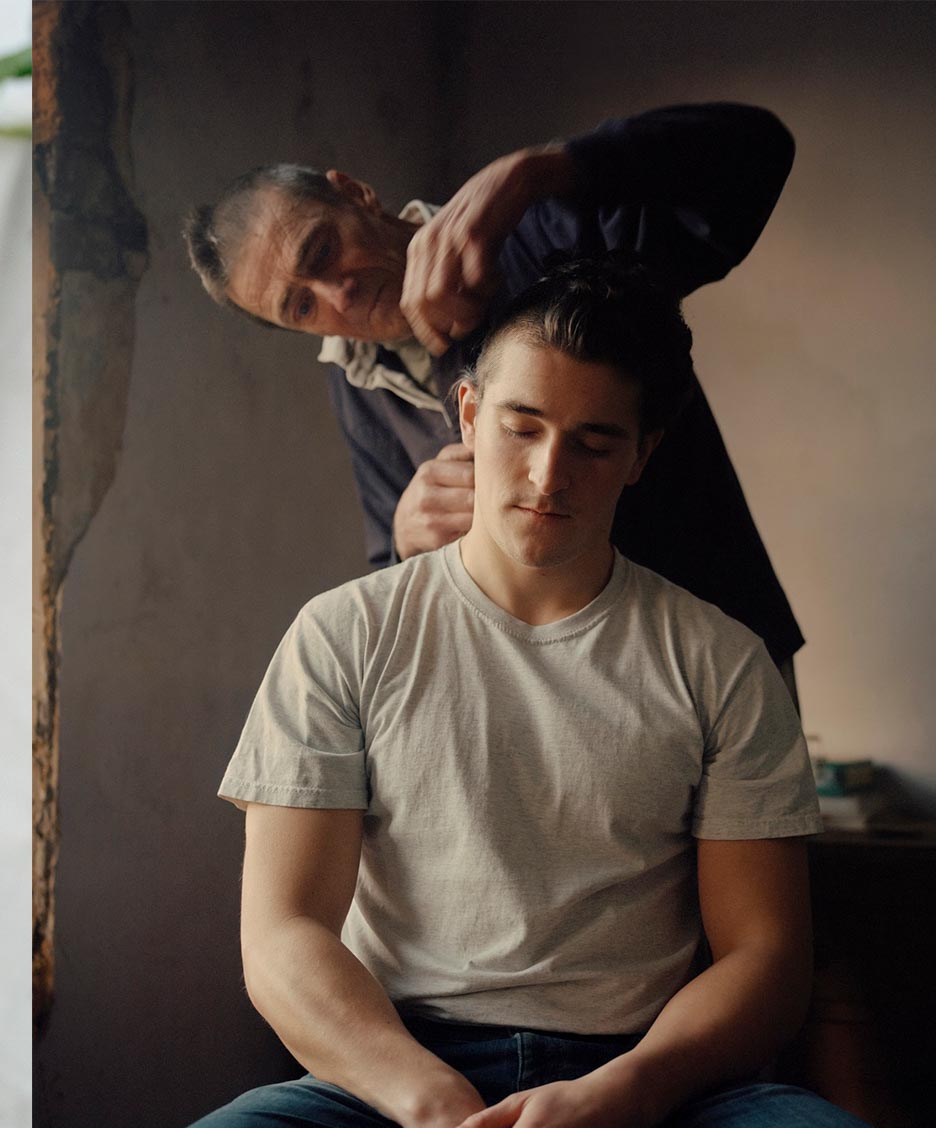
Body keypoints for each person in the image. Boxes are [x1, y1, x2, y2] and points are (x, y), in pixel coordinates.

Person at [76, 260, 936, 1128]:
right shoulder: (344, 635)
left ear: (642, 454)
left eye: (593, 442)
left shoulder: (719, 659)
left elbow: (765, 957)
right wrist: (429, 1108)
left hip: (657, 1087)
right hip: (392, 1075)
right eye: (522, 428)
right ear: (467, 416)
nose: (550, 477)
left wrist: (616, 1105)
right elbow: (281, 935)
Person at [182, 104, 804, 697]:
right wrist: (403, 540)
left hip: (712, 649)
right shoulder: (355, 383)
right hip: (547, 696)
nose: (338, 295)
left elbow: (756, 151)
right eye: (302, 306)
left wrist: (540, 171)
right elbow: (393, 576)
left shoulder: (538, 228)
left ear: (354, 193)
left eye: (319, 251)